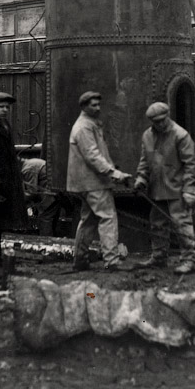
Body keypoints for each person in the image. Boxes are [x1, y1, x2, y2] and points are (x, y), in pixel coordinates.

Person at [66, 91, 132, 272]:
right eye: (93, 105)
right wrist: (115, 174)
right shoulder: (84, 128)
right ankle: (111, 261)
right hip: (93, 183)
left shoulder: (89, 124)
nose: (97, 108)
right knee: (108, 217)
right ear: (84, 107)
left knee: (88, 220)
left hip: (86, 183)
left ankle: (80, 260)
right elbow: (93, 156)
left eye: (98, 104)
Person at [133, 102, 195, 274]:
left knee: (182, 224)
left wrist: (190, 190)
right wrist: (141, 178)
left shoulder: (181, 135)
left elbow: (190, 165)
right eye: (156, 122)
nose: (160, 124)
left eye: (163, 120)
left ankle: (189, 260)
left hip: (177, 189)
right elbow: (144, 160)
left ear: (168, 116)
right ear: (151, 122)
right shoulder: (147, 136)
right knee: (157, 224)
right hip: (156, 189)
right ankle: (159, 257)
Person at [0, 92, 30, 279]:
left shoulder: (5, 125)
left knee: (1, 225)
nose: (4, 110)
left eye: (6, 107)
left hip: (7, 182)